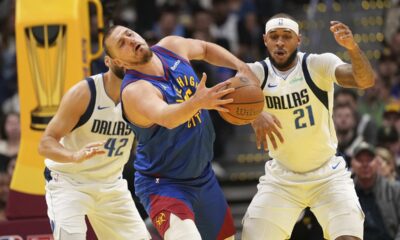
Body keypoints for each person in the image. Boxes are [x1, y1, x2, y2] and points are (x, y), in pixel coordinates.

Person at [103, 25, 257, 240]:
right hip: (164, 184)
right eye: (121, 43)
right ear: (118, 62)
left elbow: (204, 48)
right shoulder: (135, 90)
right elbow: (168, 117)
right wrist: (197, 102)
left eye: (129, 34)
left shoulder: (170, 46)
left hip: (203, 176)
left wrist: (240, 66)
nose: (130, 40)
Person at [243, 13, 375, 240]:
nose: (280, 42)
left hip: (327, 176)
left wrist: (352, 48)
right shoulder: (255, 72)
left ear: (298, 40)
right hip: (281, 179)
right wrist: (253, 114)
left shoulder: (317, 64)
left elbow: (365, 80)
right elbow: (225, 99)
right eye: (274, 37)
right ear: (265, 40)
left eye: (287, 36)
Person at [38, 57, 150, 240]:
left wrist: (194, 104)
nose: (128, 60)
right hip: (69, 182)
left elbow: (165, 121)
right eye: (122, 52)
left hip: (111, 184)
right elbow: (45, 143)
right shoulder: (85, 92)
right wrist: (74, 156)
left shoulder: (141, 96)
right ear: (108, 60)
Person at [351, 142, 400, 240]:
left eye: (369, 160)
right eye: (360, 160)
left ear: (377, 163)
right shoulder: (346, 193)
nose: (365, 164)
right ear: (352, 164)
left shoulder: (394, 189)